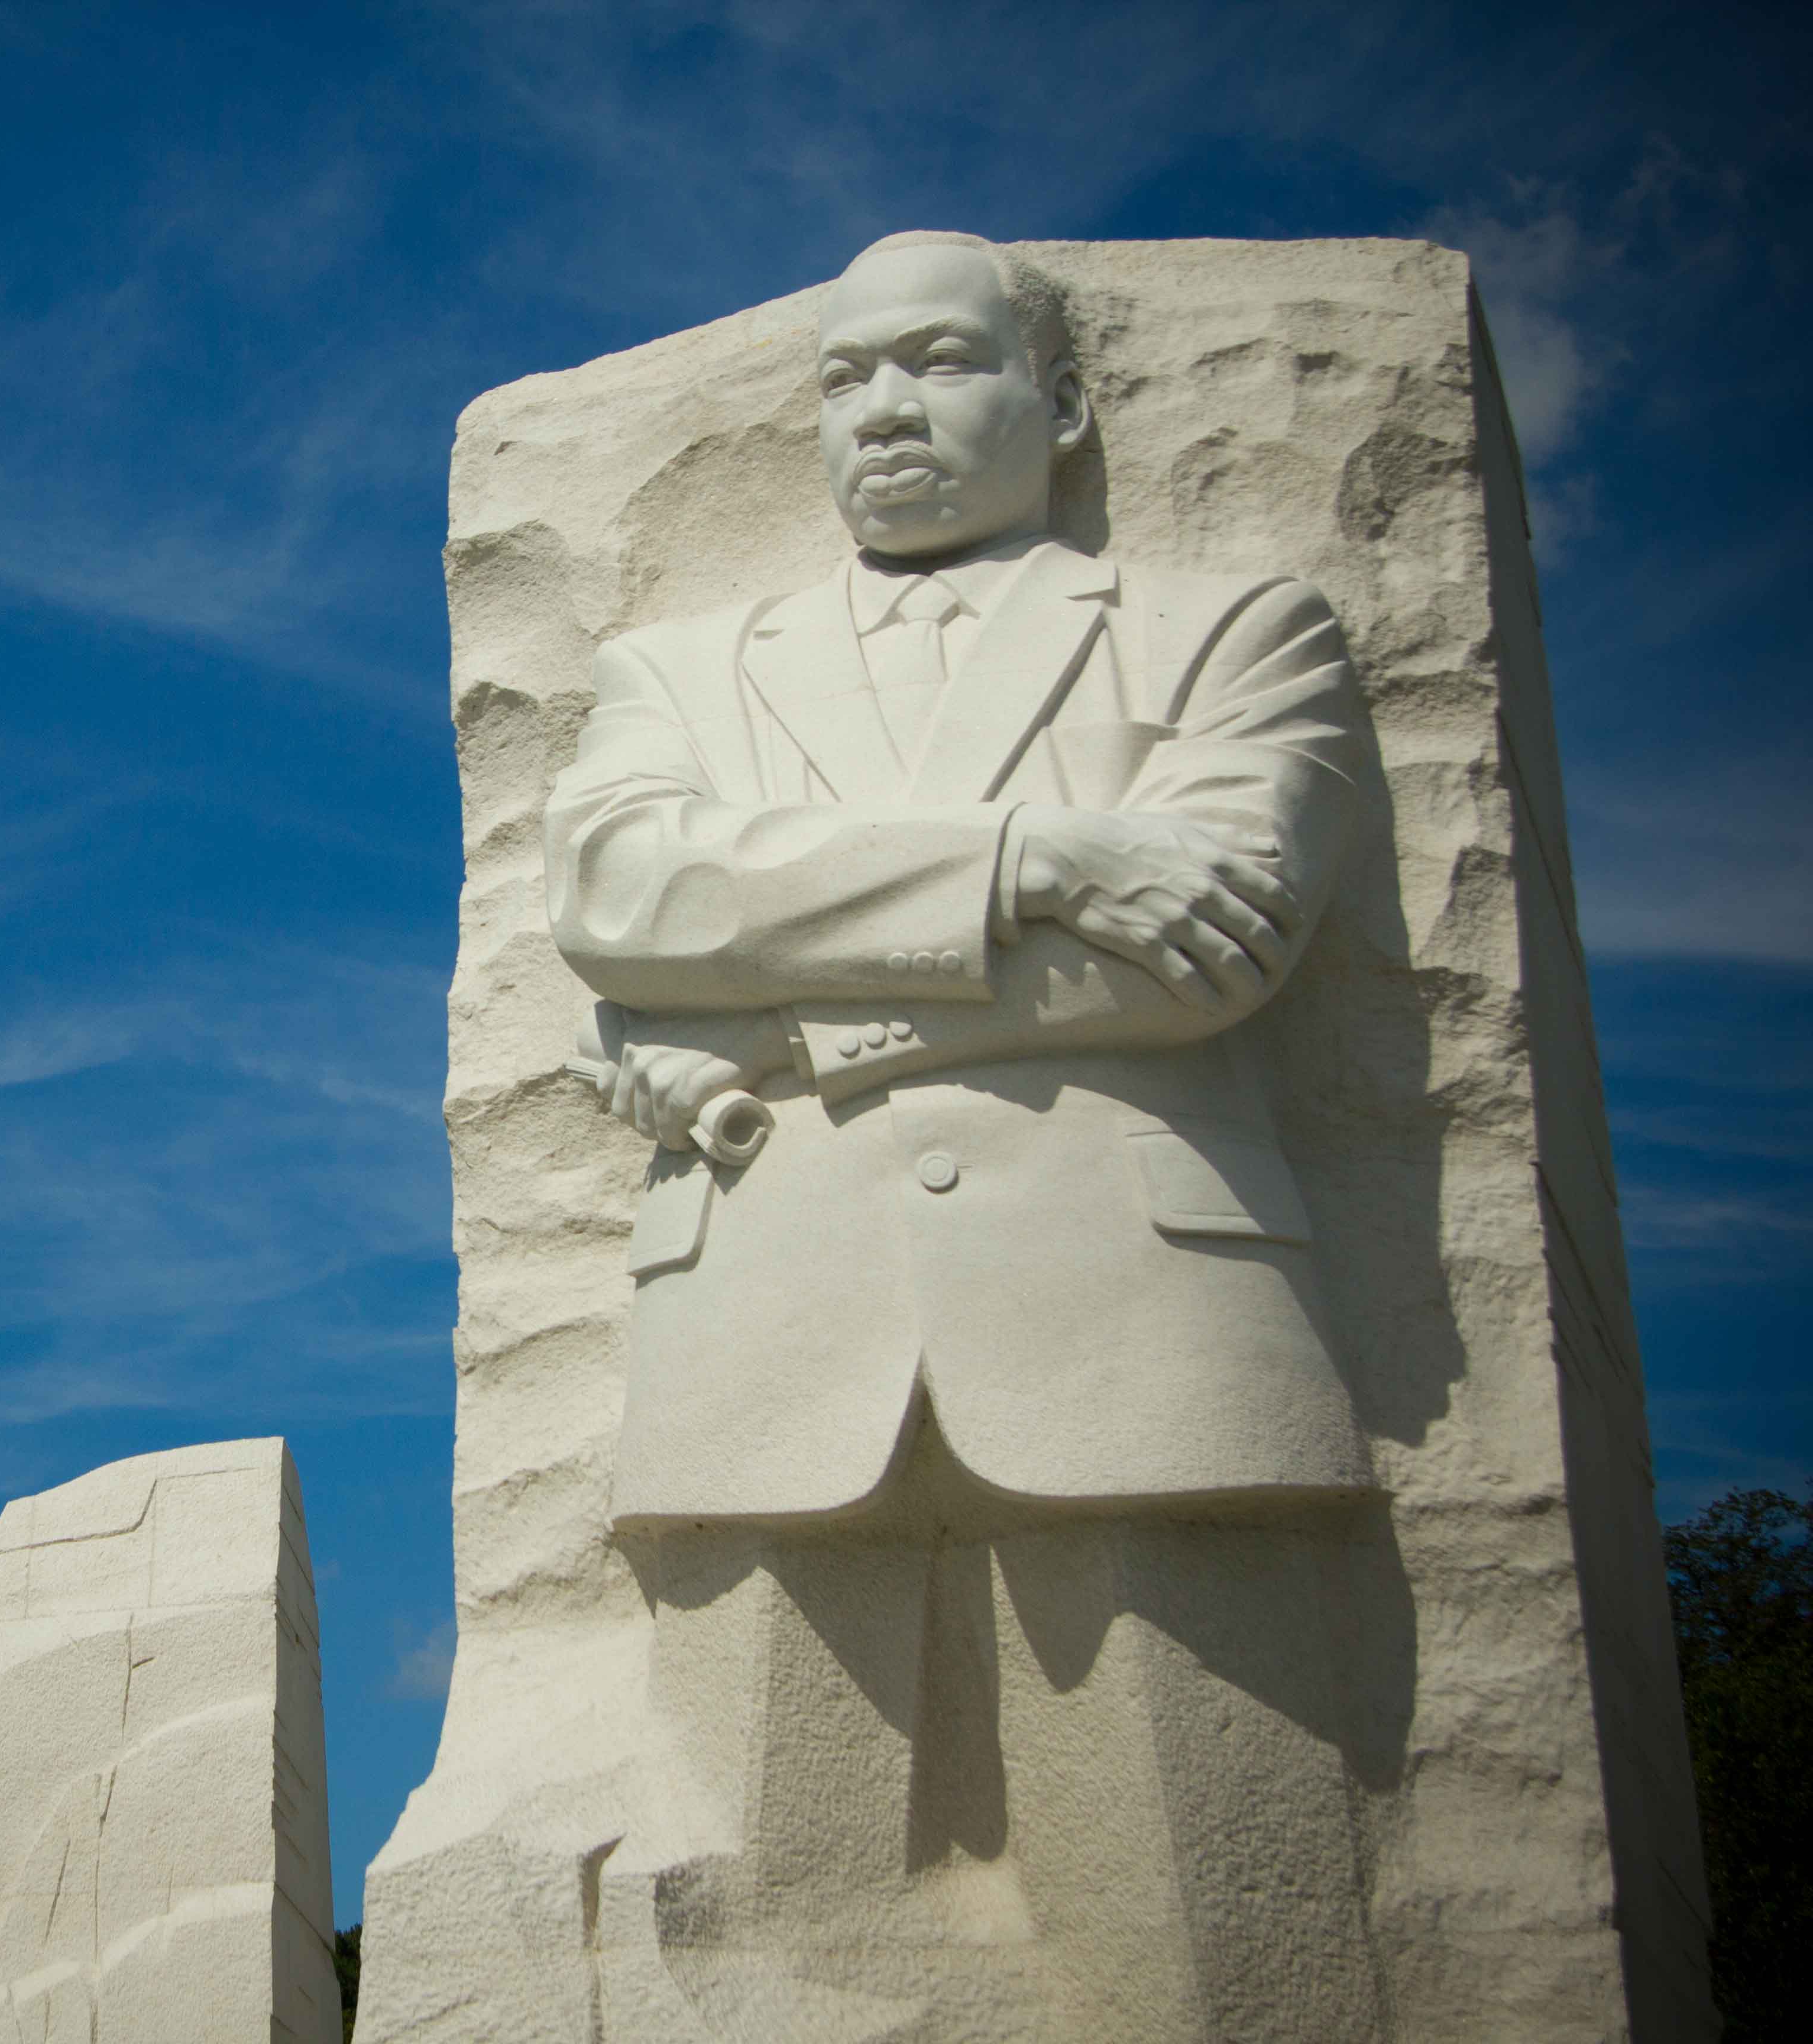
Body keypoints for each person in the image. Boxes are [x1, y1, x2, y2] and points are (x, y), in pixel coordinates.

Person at [543, 231, 1389, 2037]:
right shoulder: (680, 672)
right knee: (757, 1945)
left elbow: (1214, 952)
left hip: (1137, 1318)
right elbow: (622, 897)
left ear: (1063, 403)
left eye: (939, 361)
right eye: (845, 377)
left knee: (1212, 1933)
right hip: (767, 1325)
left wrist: (771, 1024)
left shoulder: (1229, 630)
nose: (884, 410)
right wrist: (1036, 858)